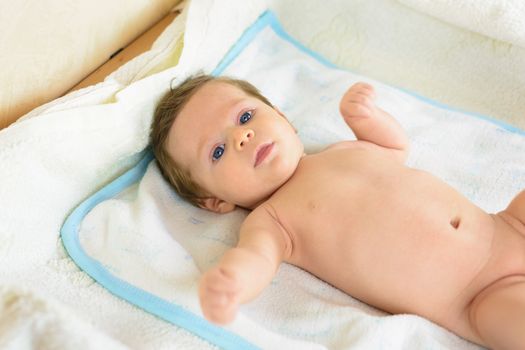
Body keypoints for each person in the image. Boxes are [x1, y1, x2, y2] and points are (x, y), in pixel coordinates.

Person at [150, 74, 525, 349]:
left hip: (508, 225)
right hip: (479, 295)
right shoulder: (272, 221)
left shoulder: (344, 150)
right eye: (217, 151)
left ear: (281, 116)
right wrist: (234, 280)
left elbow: (394, 149)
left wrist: (365, 118)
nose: (241, 137)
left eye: (245, 117)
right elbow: (256, 258)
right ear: (214, 201)